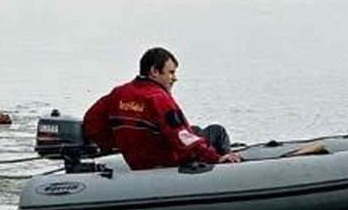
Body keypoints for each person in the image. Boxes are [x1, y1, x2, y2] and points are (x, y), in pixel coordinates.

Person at [83, 47, 243, 170]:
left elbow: (91, 121)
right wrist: (215, 158)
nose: (174, 78)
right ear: (154, 71)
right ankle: (228, 167)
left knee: (196, 130)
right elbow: (182, 136)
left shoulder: (119, 93)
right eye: (170, 73)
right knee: (216, 131)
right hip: (166, 161)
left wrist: (113, 144)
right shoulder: (158, 98)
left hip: (137, 161)